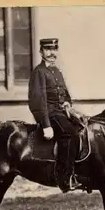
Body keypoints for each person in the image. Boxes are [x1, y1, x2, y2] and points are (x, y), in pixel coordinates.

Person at [28, 38, 82, 193]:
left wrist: (67, 103)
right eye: (47, 49)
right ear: (41, 52)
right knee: (69, 134)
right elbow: (38, 100)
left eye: (54, 49)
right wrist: (45, 125)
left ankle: (78, 172)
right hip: (50, 113)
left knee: (81, 130)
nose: (51, 53)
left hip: (61, 112)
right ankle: (64, 178)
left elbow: (63, 92)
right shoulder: (39, 72)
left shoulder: (56, 71)